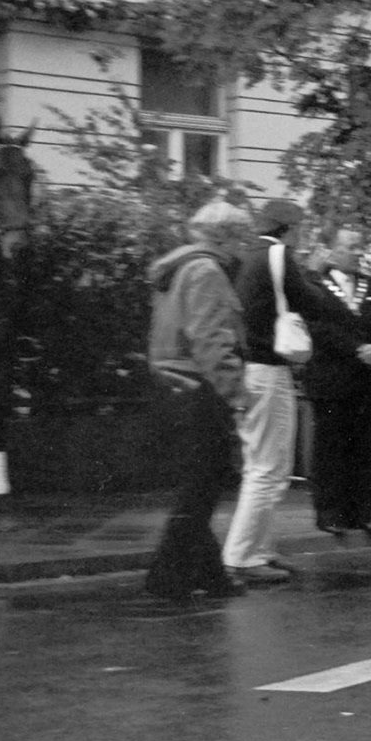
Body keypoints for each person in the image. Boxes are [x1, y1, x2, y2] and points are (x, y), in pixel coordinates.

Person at [143, 200, 252, 601]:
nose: (243, 247)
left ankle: (210, 575)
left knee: (200, 484)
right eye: (240, 237)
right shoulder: (207, 272)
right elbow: (210, 338)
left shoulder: (177, 270)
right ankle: (166, 577)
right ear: (225, 237)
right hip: (197, 386)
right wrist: (236, 392)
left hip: (171, 384)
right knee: (201, 487)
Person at [224, 198, 325, 585]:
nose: (302, 237)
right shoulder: (277, 256)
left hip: (252, 369)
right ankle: (242, 556)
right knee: (267, 468)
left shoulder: (248, 258)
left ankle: (260, 550)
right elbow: (312, 301)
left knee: (267, 466)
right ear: (288, 229)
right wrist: (314, 277)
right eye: (300, 228)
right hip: (268, 370)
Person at [304, 224, 371, 541]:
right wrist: (356, 350)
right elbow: (318, 327)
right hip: (331, 379)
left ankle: (361, 513)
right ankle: (329, 513)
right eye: (351, 246)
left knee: (361, 447)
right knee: (330, 447)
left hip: (364, 380)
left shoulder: (369, 284)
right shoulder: (317, 285)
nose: (358, 252)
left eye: (360, 246)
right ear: (333, 251)